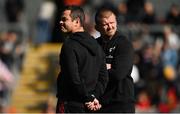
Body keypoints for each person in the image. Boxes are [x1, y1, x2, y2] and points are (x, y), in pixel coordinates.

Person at [56, 5, 109, 113]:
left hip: (70, 104)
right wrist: (93, 97)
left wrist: (88, 97)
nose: (60, 22)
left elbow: (74, 78)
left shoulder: (69, 45)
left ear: (77, 22)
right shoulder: (97, 45)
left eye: (64, 19)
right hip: (90, 107)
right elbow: (103, 77)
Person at [95, 6, 135, 113]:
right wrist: (107, 67)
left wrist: (99, 68)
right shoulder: (94, 45)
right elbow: (87, 71)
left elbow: (119, 73)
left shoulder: (124, 43)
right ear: (97, 27)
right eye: (105, 24)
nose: (110, 27)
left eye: (112, 22)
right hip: (100, 103)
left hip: (120, 103)